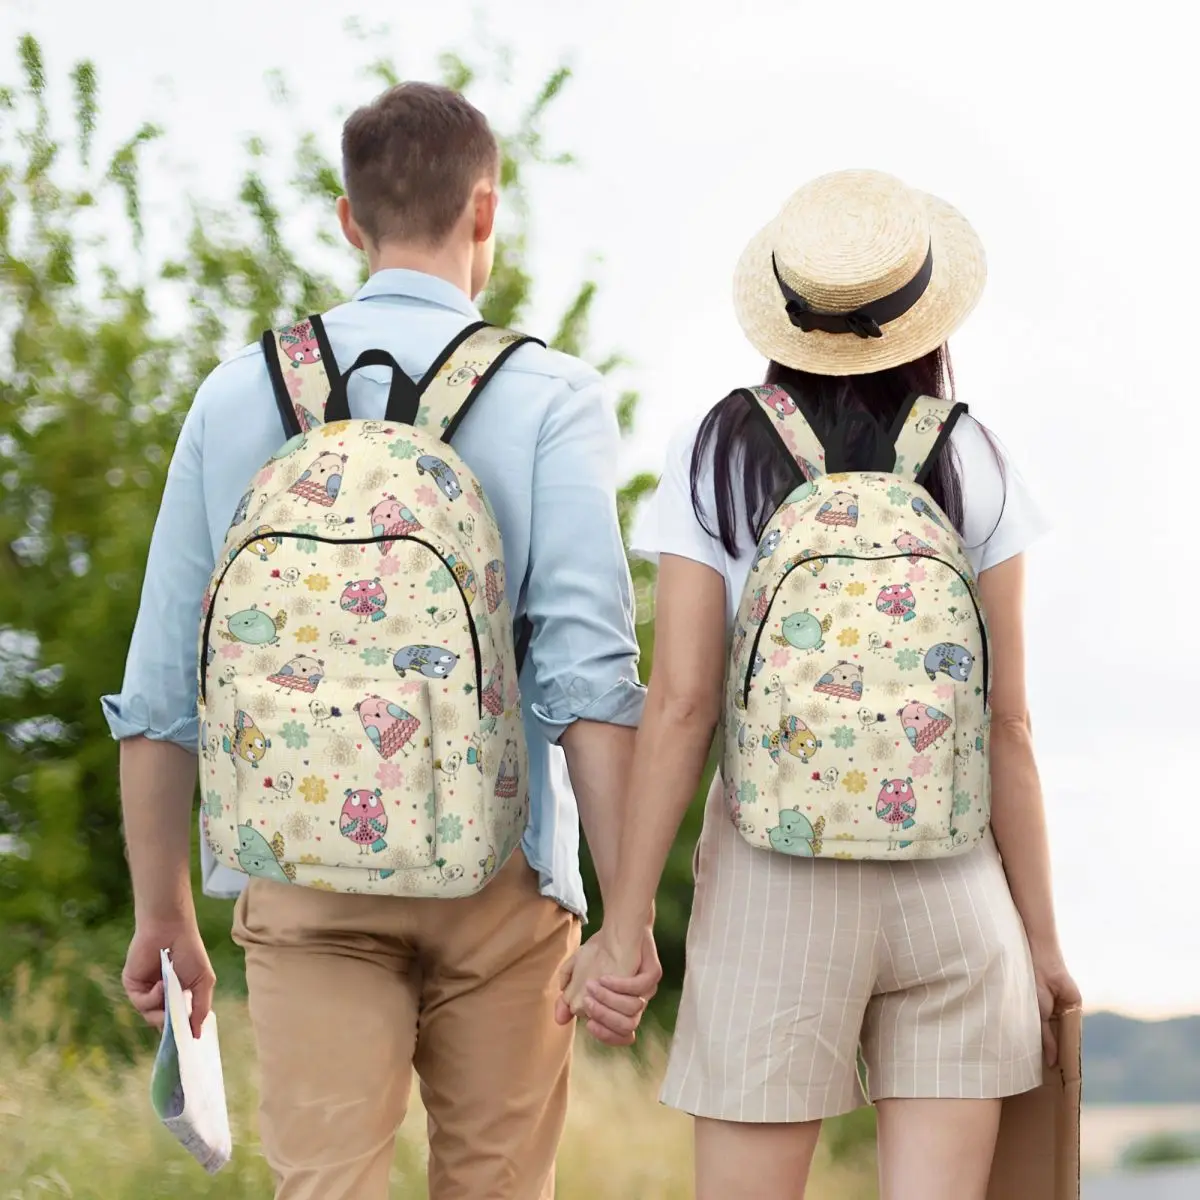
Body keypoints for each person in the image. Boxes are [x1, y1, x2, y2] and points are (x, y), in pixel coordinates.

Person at [104, 81, 661, 1200]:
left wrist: (163, 910)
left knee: (325, 1186)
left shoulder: (236, 395)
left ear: (349, 219)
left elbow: (164, 683)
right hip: (502, 876)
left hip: (301, 875)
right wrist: (627, 915)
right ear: (485, 212)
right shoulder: (550, 395)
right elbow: (589, 679)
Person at [559, 169, 1081, 1200]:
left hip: (773, 884)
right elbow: (1009, 723)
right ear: (924, 314)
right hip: (954, 886)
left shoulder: (717, 450)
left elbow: (682, 705)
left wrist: (623, 928)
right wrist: (1043, 944)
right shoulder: (974, 455)